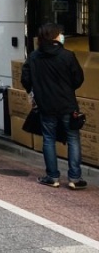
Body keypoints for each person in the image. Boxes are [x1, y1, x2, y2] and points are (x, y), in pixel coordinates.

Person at [21, 22, 86, 189]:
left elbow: (25, 79)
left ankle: (52, 177)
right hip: (67, 104)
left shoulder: (34, 57)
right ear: (56, 36)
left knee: (48, 139)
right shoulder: (67, 55)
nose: (62, 36)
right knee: (73, 139)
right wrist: (67, 88)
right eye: (60, 33)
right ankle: (75, 178)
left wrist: (35, 91)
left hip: (45, 105)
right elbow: (78, 78)